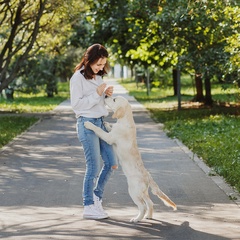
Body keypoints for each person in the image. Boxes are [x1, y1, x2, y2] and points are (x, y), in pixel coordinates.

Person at [70, 43, 118, 220]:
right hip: (86, 124)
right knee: (93, 166)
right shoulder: (77, 78)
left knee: (112, 162)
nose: (100, 68)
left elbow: (100, 104)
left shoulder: (98, 77)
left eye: (103, 64)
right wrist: (97, 94)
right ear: (88, 60)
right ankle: (88, 205)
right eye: (98, 64)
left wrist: (106, 95)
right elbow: (77, 106)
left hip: (100, 123)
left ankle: (96, 197)